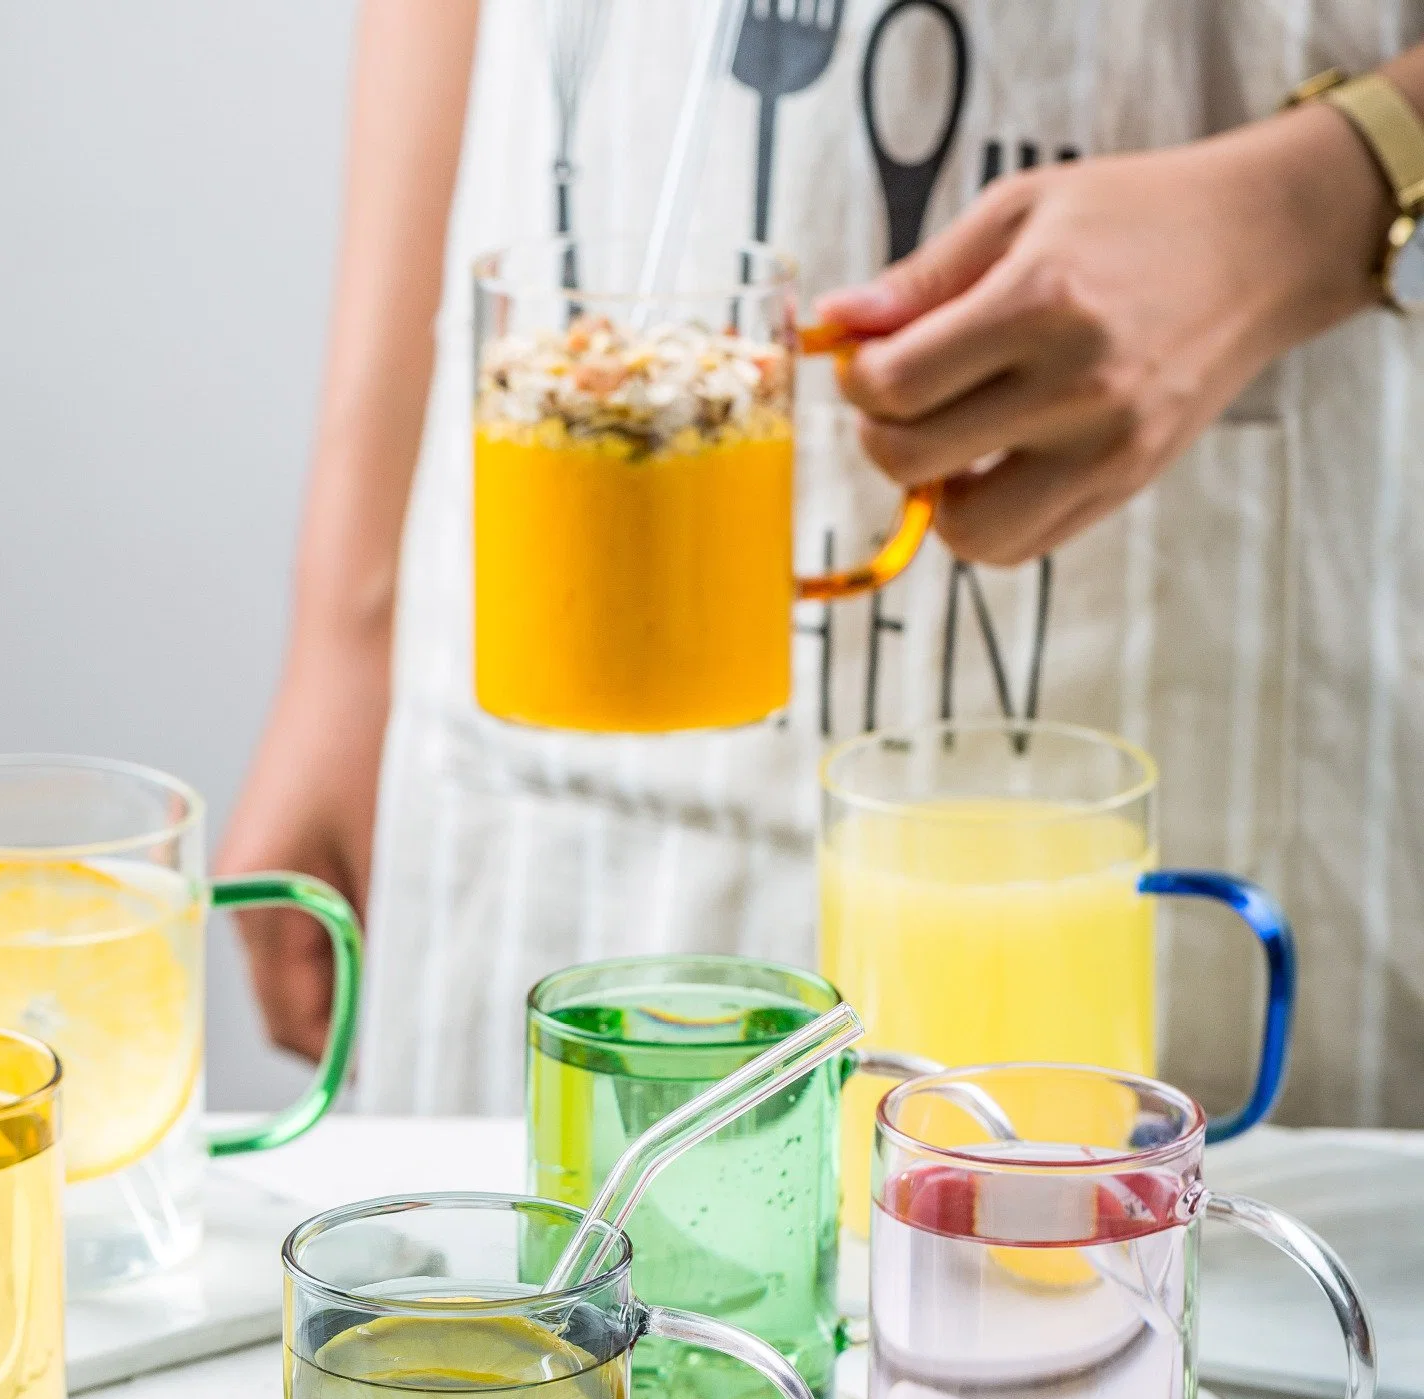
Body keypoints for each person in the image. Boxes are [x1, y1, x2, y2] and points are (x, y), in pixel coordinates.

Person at [219, 0, 1424, 1126]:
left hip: (1231, 590)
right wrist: (346, 629)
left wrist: (1327, 194)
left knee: (1135, 1296)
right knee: (552, 1313)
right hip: (538, 741)